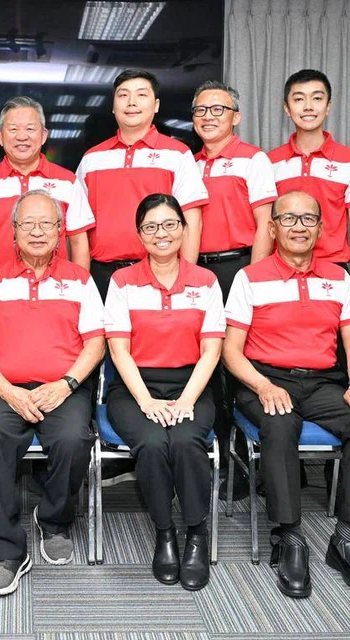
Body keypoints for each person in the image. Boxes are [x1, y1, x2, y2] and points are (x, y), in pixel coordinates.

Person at [222, 190, 350, 599]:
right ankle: (290, 536)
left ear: (321, 228)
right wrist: (261, 385)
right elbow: (230, 351)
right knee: (279, 423)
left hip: (324, 381)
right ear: (273, 227)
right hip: (263, 379)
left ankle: (346, 538)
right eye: (289, 219)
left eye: (308, 219)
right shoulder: (250, 278)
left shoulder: (337, 277)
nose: (298, 227)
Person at [0, 190, 105, 596]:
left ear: (62, 231)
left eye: (47, 223)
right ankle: (7, 551)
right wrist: (9, 392)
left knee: (73, 438)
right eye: (28, 223)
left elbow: (95, 343)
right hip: (1, 388)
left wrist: (67, 385)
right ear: (13, 232)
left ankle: (54, 519)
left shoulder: (80, 280)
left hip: (63, 386)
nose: (38, 231)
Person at [104, 193, 225, 590]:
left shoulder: (205, 282)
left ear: (184, 229)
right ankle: (165, 531)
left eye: (171, 224)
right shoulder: (122, 281)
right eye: (151, 227)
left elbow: (212, 350)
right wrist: (146, 401)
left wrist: (188, 399)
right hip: (134, 387)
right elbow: (119, 349)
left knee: (188, 440)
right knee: (154, 442)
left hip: (192, 383)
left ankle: (195, 531)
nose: (162, 234)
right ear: (140, 235)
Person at [191, 80, 278, 498]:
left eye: (218, 109)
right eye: (201, 111)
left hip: (239, 268)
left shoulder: (253, 159)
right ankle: (220, 462)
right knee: (206, 365)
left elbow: (266, 223)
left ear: (235, 116)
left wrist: (255, 279)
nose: (208, 117)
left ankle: (248, 464)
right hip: (198, 274)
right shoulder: (188, 163)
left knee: (238, 364)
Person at [76, 69, 209, 299]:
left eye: (141, 95)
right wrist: (81, 285)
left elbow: (192, 220)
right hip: (101, 276)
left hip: (160, 274)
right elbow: (77, 230)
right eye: (123, 95)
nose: (131, 103)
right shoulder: (91, 159)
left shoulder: (178, 154)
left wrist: (184, 277)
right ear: (113, 105)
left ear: (156, 105)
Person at [0, 96, 95, 292]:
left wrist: (80, 292)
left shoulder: (68, 182)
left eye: (30, 129)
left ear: (43, 135)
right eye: (13, 129)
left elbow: (78, 242)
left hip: (56, 289)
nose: (22, 136)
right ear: (0, 136)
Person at [268, 69, 350, 301]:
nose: (308, 106)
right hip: (280, 275)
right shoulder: (270, 163)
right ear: (287, 108)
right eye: (298, 99)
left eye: (317, 98)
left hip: (333, 274)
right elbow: (267, 228)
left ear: (328, 106)